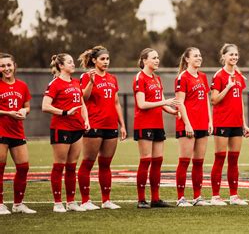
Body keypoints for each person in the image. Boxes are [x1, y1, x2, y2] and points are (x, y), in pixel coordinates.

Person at [77, 46, 126, 210]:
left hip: (110, 125)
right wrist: (91, 82)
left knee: (106, 164)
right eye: (102, 59)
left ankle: (106, 200)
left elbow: (116, 103)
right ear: (94, 60)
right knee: (88, 163)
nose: (106, 62)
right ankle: (85, 201)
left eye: (107, 59)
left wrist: (123, 125)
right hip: (94, 124)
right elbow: (83, 97)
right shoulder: (86, 76)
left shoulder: (112, 78)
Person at [42, 53, 90, 212]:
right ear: (61, 66)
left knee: (71, 166)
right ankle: (57, 203)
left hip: (77, 128)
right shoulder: (55, 84)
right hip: (61, 128)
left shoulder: (76, 82)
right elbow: (45, 106)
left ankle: (71, 202)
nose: (72, 64)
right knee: (59, 166)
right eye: (69, 62)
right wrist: (64, 112)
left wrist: (86, 120)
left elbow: (82, 103)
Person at [133, 48, 179, 208]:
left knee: (158, 161)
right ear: (144, 60)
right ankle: (141, 200)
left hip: (157, 124)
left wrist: (172, 111)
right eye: (154, 58)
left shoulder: (157, 78)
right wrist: (165, 103)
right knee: (145, 161)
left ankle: (155, 199)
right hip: (144, 123)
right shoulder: (140, 77)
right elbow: (142, 104)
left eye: (158, 57)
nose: (157, 60)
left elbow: (161, 100)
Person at [209, 44, 249, 206]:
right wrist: (227, 87)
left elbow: (240, 101)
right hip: (222, 122)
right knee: (220, 158)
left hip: (236, 123)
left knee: (234, 160)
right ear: (224, 57)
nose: (234, 57)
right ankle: (215, 196)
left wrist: (244, 124)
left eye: (236, 55)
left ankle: (234, 196)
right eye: (231, 55)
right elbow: (214, 100)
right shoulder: (219, 75)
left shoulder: (239, 77)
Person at [175, 47, 212, 207]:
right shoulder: (182, 77)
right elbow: (179, 103)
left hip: (202, 122)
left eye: (200, 55)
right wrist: (187, 123)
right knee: (184, 161)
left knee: (199, 162)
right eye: (195, 56)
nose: (199, 58)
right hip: (188, 124)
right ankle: (180, 198)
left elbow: (206, 101)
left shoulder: (203, 76)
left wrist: (210, 121)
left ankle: (198, 197)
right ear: (187, 59)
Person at [0, 53, 36, 215]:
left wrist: (23, 111)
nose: (6, 68)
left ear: (14, 66)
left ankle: (18, 204)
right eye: (2, 66)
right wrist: (8, 113)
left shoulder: (22, 85)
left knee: (23, 167)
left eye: (9, 65)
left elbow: (27, 107)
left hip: (17, 131)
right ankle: (0, 204)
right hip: (1, 131)